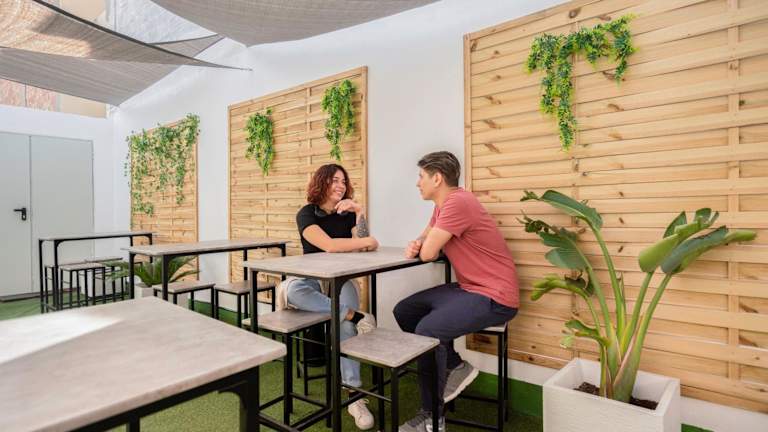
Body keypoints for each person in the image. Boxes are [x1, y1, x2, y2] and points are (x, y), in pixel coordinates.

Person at [395, 151, 519, 432]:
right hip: (469, 288)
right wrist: (417, 242)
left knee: (428, 331)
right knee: (405, 311)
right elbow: (425, 238)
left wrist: (422, 246)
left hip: (496, 296)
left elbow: (428, 253)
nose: (417, 183)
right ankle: (455, 366)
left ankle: (432, 418)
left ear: (437, 178)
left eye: (421, 176)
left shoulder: (459, 202)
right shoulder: (442, 206)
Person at [286, 163, 378, 429]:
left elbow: (364, 248)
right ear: (322, 183)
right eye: (335, 180)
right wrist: (367, 241)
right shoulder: (306, 213)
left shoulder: (347, 215)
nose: (340, 186)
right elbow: (329, 246)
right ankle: (355, 315)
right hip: (312, 279)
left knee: (345, 326)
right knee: (293, 290)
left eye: (343, 181)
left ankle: (354, 396)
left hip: (342, 278)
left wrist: (359, 211)